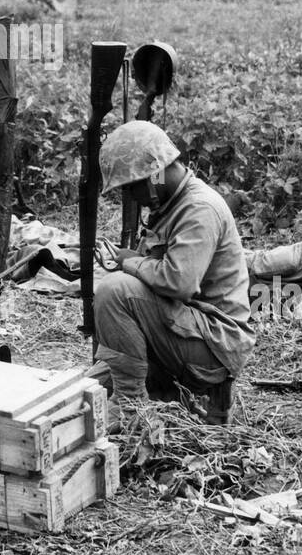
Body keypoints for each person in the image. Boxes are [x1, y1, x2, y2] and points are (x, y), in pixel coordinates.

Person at [93, 121, 255, 431]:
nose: (132, 196)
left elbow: (179, 282)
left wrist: (131, 263)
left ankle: (131, 407)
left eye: (131, 186)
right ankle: (164, 394)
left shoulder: (199, 208)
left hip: (214, 344)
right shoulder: (171, 205)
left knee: (114, 291)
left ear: (154, 174)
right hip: (185, 330)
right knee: (85, 389)